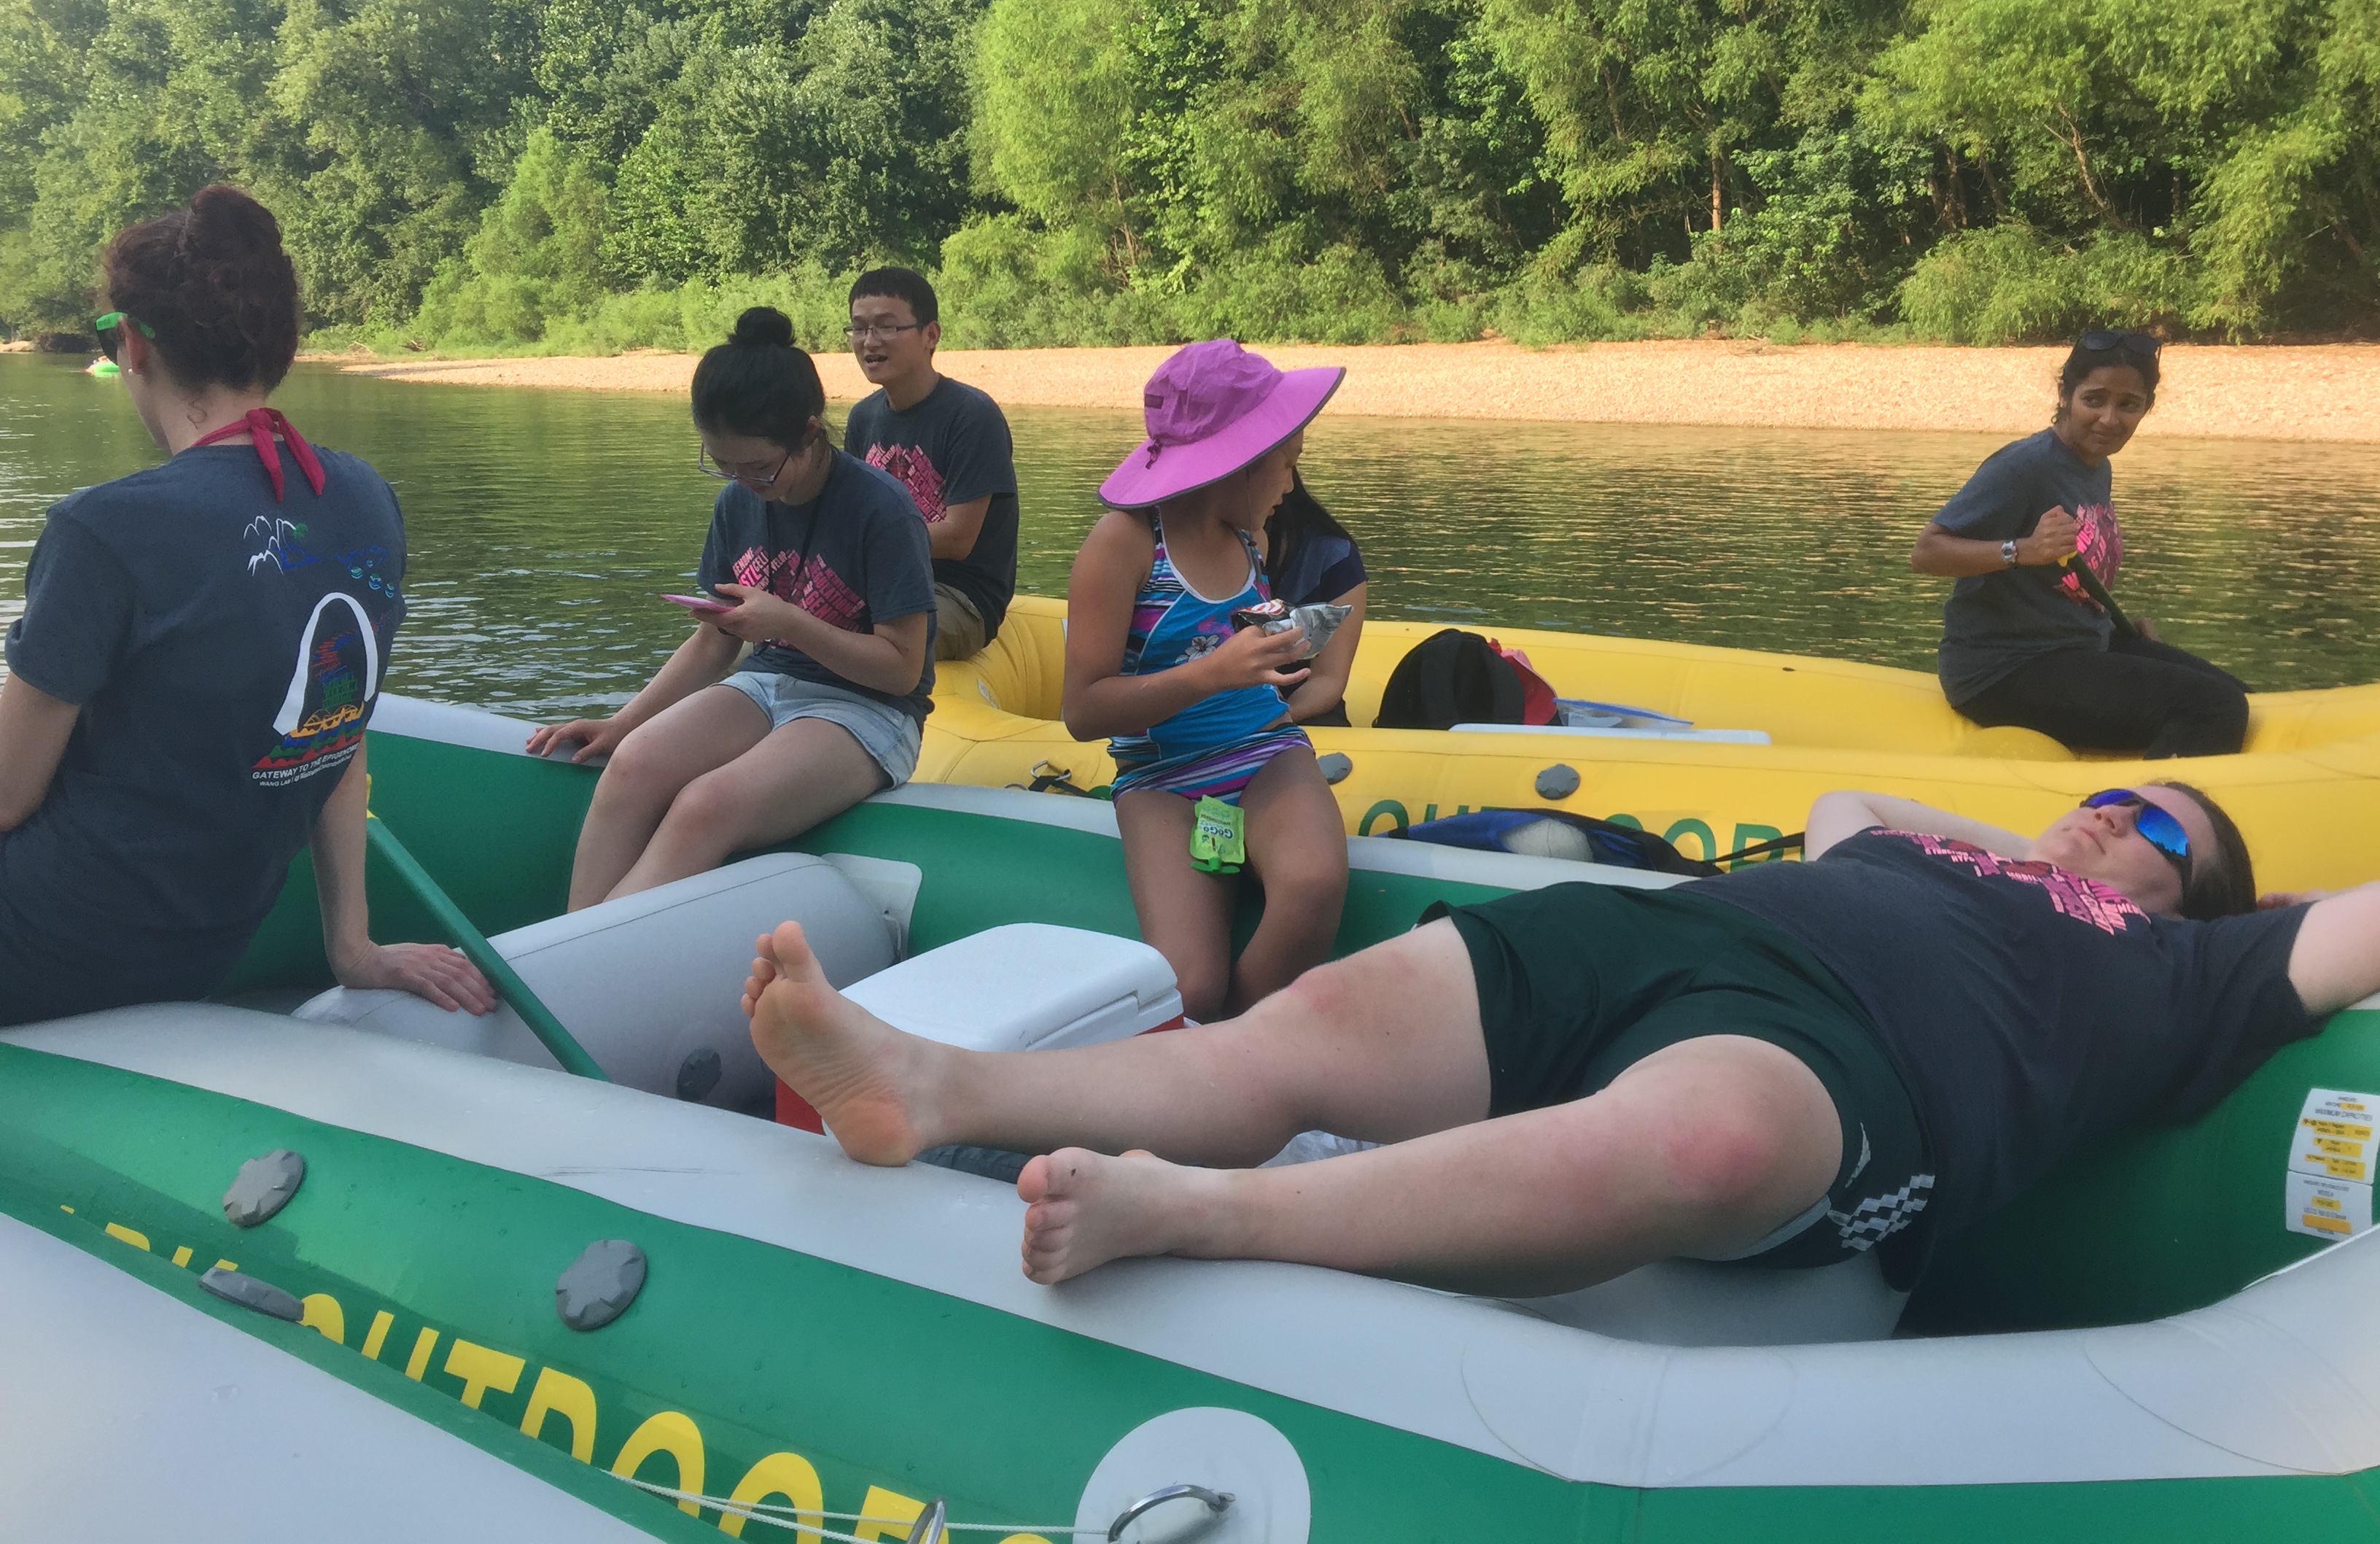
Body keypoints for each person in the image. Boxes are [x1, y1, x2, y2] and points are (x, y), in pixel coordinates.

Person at [743, 783, 2380, 1295]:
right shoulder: (1939, 850)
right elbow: (1848, 805)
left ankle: (1194, 1209)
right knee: (1313, 1016)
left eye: (2153, 826)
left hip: (1853, 1061)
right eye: (2105, 795)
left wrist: (2213, 902)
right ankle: (928, 1084)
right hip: (1682, 937)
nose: (2108, 818)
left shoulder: (2200, 969)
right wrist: (2027, 846)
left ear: (2205, 891)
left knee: (1706, 1146)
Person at [0, 186, 492, 1025]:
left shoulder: (105, 530)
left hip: (49, 951)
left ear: (132, 346)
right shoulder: (363, 500)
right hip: (200, 946)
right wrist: (354, 948)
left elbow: (8, 798)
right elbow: (335, 731)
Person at [528, 309, 936, 909]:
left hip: (870, 711)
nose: (743, 482)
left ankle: (585, 952)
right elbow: (714, 643)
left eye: (760, 468)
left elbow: (902, 670)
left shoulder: (884, 509)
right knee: (633, 763)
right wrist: (622, 723)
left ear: (809, 433)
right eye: (723, 465)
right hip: (767, 684)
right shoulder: (737, 504)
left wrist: (788, 623)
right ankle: (572, 942)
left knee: (706, 805)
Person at [1060, 341, 1351, 1020]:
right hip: (1162, 778)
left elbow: (1227, 637)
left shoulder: (1252, 539)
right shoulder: (1124, 545)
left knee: (1312, 884)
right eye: (1288, 463)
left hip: (1265, 751)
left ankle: (1237, 1048)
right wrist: (1212, 673)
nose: (1291, 487)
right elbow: (1083, 711)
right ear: (1239, 462)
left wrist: (1282, 642)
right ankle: (1208, 1049)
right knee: (1189, 983)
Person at [1913, 329, 2249, 757]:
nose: (2109, 419)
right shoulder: (2025, 466)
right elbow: (1927, 552)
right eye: (2094, 400)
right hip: (2003, 669)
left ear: (2146, 408)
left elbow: (2067, 576)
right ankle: (2146, 799)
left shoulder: (2096, 466)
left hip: (2079, 645)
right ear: (2066, 395)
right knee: (2214, 708)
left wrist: (2114, 626)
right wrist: (2021, 550)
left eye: (2128, 405)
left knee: (2235, 693)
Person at [840, 268, 1018, 664]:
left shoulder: (972, 416)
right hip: (880, 584)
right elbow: (849, 515)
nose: (869, 341)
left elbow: (958, 538)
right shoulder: (863, 418)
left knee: (830, 633)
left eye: (887, 327)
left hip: (958, 597)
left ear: (931, 336)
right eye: (859, 328)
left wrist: (862, 542)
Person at [1261, 470, 1367, 728]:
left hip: (1298, 709)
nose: (1287, 486)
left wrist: (1271, 724)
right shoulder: (1176, 554)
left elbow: (1328, 678)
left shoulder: (1332, 555)